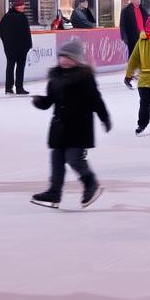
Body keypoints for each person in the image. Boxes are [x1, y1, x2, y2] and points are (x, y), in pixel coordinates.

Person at [29, 39, 110, 210]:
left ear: (78, 60)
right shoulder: (55, 77)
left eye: (69, 58)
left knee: (74, 159)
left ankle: (91, 184)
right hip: (59, 127)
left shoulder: (85, 77)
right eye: (62, 57)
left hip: (79, 127)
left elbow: (96, 100)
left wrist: (105, 118)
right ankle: (54, 192)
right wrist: (39, 101)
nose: (64, 60)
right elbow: (50, 100)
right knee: (56, 159)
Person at [0, 0, 33, 95]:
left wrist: (7, 44)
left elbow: (1, 33)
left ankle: (13, 88)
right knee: (15, 66)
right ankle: (14, 87)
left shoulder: (8, 17)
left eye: (23, 5)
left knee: (14, 66)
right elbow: (3, 33)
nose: (23, 6)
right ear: (16, 6)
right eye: (21, 5)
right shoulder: (13, 17)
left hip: (16, 48)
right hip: (16, 48)